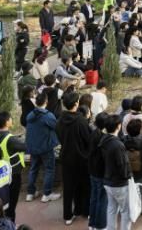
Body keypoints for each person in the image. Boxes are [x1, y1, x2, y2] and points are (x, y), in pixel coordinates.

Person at [55, 92, 91, 225]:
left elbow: (59, 136)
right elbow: (88, 139)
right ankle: (84, 210)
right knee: (85, 186)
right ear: (76, 104)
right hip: (82, 159)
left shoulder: (60, 120)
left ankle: (68, 215)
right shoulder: (81, 121)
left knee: (69, 188)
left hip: (66, 157)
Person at [0, 112, 26, 222]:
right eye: (10, 119)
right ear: (7, 122)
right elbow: (25, 147)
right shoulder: (10, 139)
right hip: (12, 174)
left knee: (0, 204)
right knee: (11, 205)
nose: (11, 120)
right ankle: (10, 225)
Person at [25, 92, 61, 203]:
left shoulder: (30, 115)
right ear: (46, 102)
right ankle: (47, 194)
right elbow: (57, 127)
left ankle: (30, 193)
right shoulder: (48, 116)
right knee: (49, 169)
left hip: (33, 147)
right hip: (46, 147)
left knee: (33, 169)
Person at [99, 115, 132, 230]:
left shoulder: (104, 140)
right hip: (119, 183)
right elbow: (122, 165)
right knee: (125, 211)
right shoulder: (117, 145)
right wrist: (128, 177)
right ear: (118, 126)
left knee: (112, 209)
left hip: (107, 180)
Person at [88, 112, 108, 230]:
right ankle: (100, 225)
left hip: (92, 170)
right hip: (101, 172)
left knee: (94, 197)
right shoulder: (103, 137)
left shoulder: (94, 133)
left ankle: (92, 223)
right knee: (102, 199)